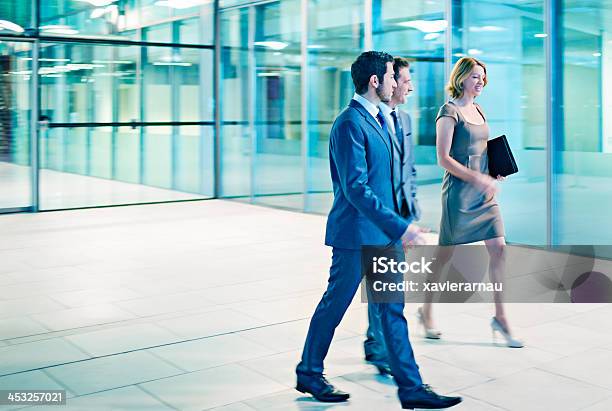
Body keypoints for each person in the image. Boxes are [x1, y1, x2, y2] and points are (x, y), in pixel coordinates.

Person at [295, 51, 462, 410]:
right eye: (391, 76)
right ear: (375, 81)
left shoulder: (384, 119)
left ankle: (411, 388)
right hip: (356, 236)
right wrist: (401, 227)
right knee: (334, 306)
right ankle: (309, 372)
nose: (395, 82)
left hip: (385, 236)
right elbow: (356, 188)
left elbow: (390, 179)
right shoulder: (349, 123)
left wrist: (401, 223)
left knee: (392, 311)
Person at [418, 57, 523, 348]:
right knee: (444, 257)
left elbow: (481, 150)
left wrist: (492, 172)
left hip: (484, 194)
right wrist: (476, 179)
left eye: (483, 77)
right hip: (459, 196)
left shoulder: (478, 109)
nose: (481, 82)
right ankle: (426, 310)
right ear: (462, 78)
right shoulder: (448, 112)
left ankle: (500, 317)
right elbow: (444, 159)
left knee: (499, 249)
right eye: (476, 76)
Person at [363, 56, 428, 366]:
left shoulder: (404, 120)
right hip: (378, 216)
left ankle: (378, 343)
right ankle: (378, 345)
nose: (409, 86)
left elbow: (408, 169)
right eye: (404, 81)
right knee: (381, 282)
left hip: (401, 213)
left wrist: (410, 214)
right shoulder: (369, 120)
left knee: (390, 283)